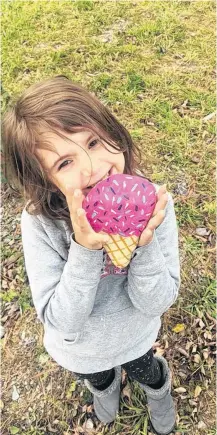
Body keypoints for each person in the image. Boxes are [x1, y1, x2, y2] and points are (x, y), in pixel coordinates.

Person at [2, 76, 180, 435]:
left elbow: (157, 301)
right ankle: (105, 388)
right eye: (64, 163)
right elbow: (60, 320)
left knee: (146, 368)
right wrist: (84, 250)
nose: (92, 166)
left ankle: (157, 391)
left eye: (94, 141)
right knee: (97, 377)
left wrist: (141, 242)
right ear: (45, 180)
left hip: (136, 337)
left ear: (113, 131)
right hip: (80, 351)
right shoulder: (40, 225)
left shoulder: (153, 205)